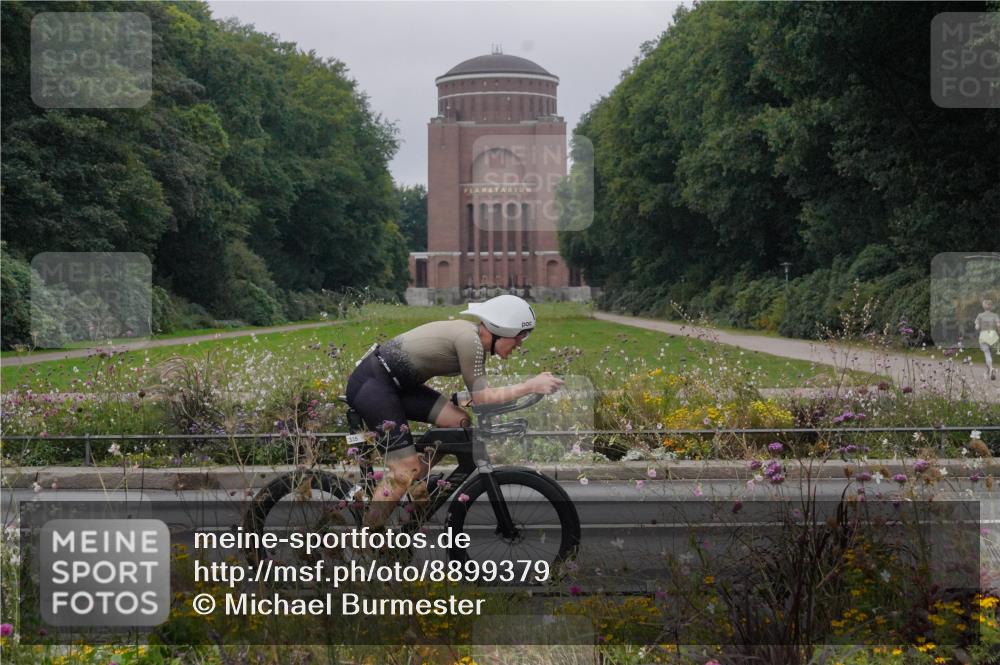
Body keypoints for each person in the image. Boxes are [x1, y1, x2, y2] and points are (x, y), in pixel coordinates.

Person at [345, 295, 564, 528]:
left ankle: (417, 482)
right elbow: (483, 397)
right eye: (519, 338)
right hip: (373, 384)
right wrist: (530, 385)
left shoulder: (475, 340)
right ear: (501, 330)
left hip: (395, 384)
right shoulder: (470, 341)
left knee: (458, 421)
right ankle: (365, 540)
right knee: (403, 469)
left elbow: (479, 397)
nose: (520, 345)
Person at [974, 298, 1000, 381]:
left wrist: (978, 326)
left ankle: (991, 368)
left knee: (987, 354)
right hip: (993, 335)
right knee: (990, 356)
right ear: (991, 307)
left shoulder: (980, 315)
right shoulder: (995, 315)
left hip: (984, 335)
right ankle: (987, 372)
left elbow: (977, 327)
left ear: (983, 306)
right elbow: (999, 326)